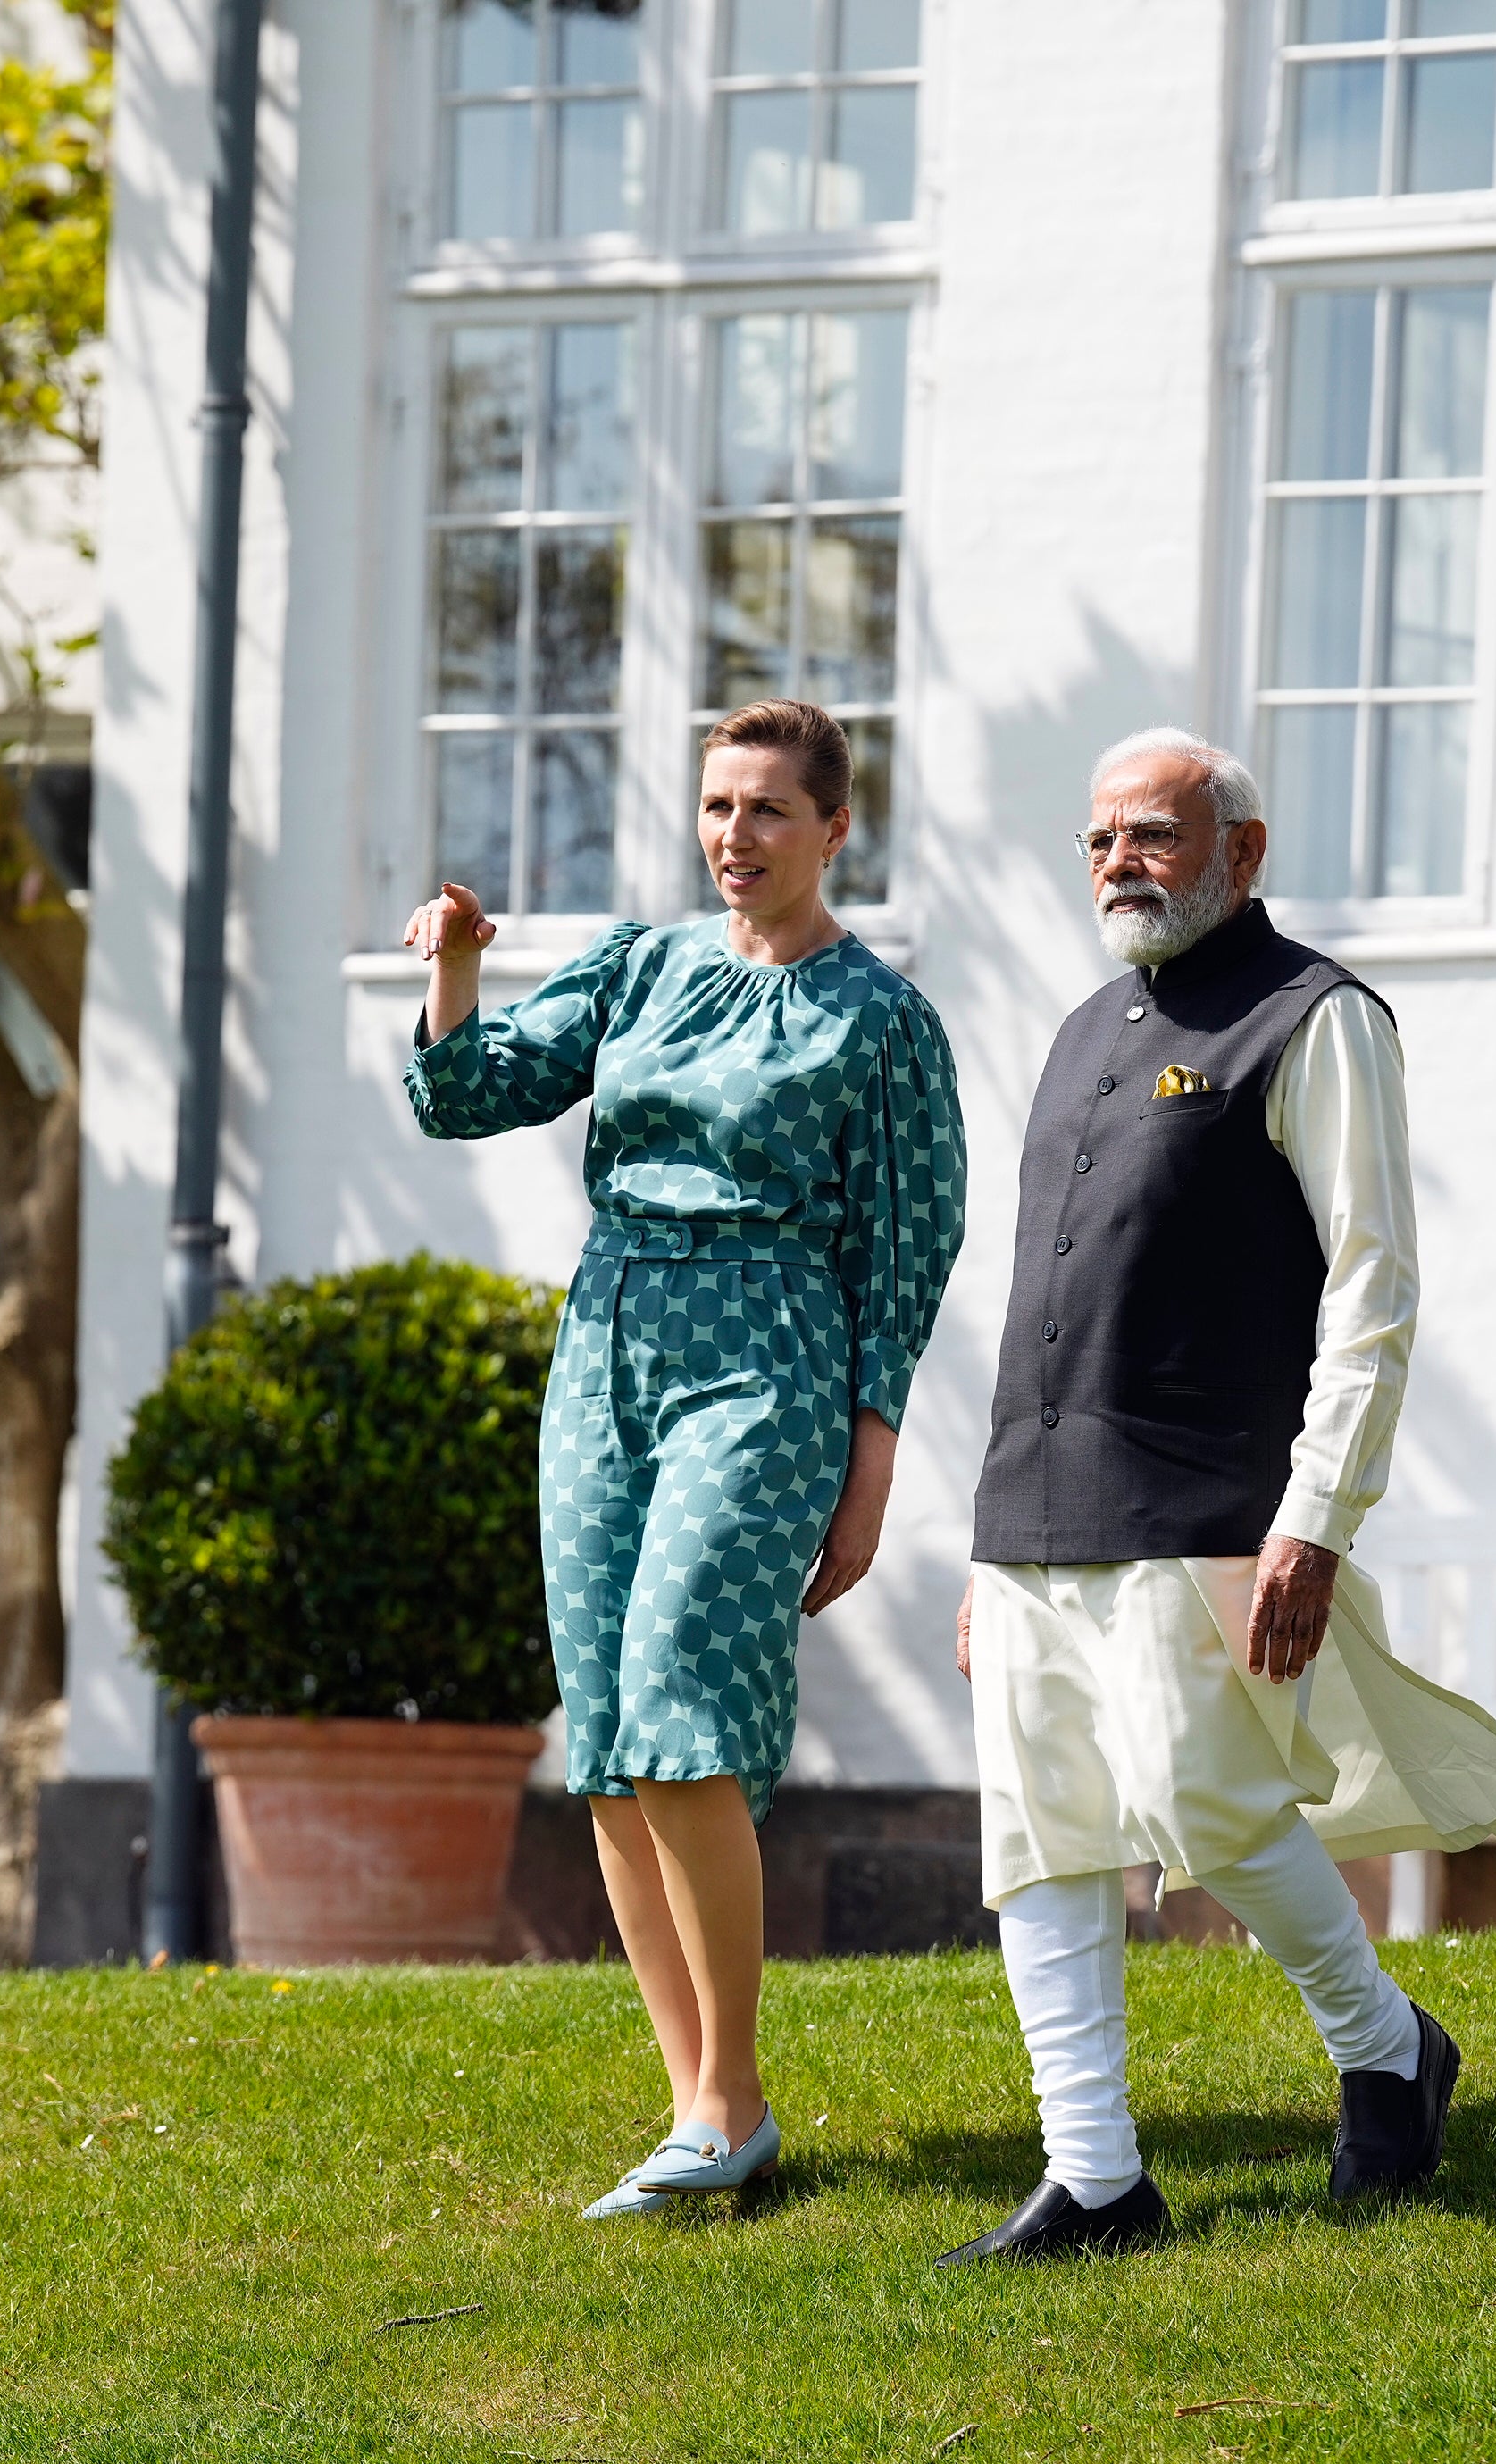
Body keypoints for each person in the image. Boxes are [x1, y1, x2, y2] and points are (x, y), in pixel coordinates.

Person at [935, 726, 1496, 2268]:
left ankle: (1390, 2046)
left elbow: (1375, 1286)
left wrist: (1316, 1517)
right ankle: (1095, 2175)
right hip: (1035, 1514)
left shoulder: (1316, 1019)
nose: (1118, 865)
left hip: (1207, 1502)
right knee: (1043, 1836)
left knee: (1203, 1805)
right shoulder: (1083, 1029)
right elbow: (1047, 1301)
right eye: (1098, 842)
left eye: (1151, 834)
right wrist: (987, 1541)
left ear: (1242, 852)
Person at [403, 697, 966, 2220]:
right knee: (606, 1731)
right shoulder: (641, 967)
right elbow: (465, 1096)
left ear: (836, 828)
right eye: (719, 808)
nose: (737, 838)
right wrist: (460, 961)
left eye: (771, 811)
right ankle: (695, 2108)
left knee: (682, 1707)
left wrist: (871, 1467)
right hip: (604, 1345)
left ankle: (734, 2102)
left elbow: (906, 1255)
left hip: (770, 1350)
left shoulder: (883, 1022)